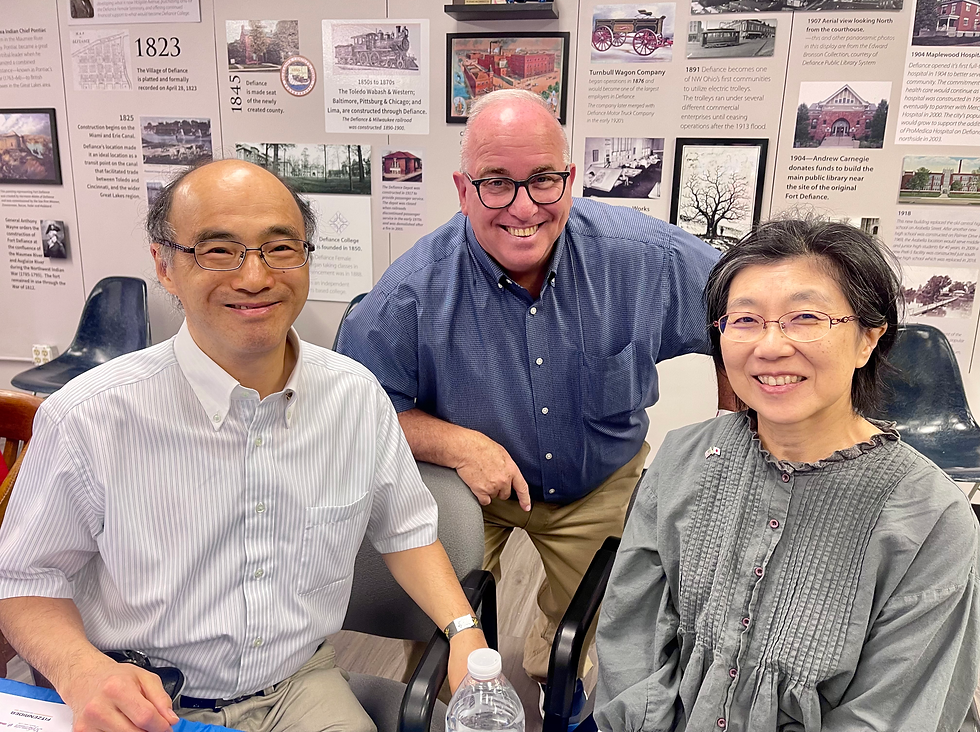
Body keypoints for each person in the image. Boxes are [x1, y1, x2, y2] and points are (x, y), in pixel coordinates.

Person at [0, 159, 487, 732]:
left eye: (280, 248)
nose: (254, 277)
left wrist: (464, 632)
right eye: (217, 250)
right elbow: (24, 579)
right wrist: (80, 671)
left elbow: (405, 530)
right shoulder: (88, 416)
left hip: (296, 683)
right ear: (164, 264)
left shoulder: (356, 399)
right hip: (139, 694)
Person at [337, 89, 730, 706]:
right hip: (468, 490)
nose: (523, 207)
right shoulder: (409, 293)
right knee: (439, 627)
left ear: (569, 180)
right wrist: (454, 442)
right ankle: (455, 706)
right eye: (496, 183)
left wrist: (730, 438)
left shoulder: (644, 258)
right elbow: (356, 409)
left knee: (593, 613)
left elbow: (740, 315)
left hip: (597, 479)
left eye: (543, 180)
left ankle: (555, 669)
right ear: (463, 190)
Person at [594, 219, 980, 731]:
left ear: (868, 338)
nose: (770, 347)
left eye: (805, 317)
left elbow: (892, 712)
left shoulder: (933, 519)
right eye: (745, 320)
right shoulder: (682, 456)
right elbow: (632, 636)